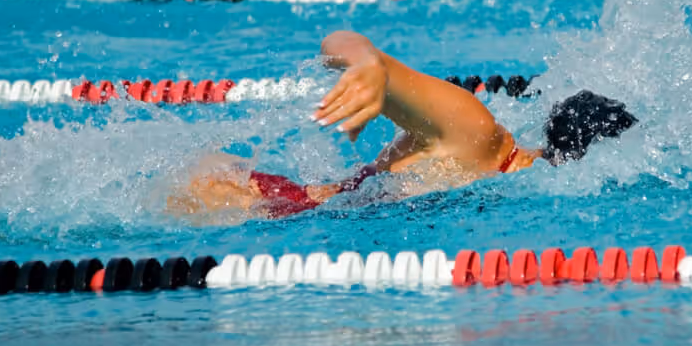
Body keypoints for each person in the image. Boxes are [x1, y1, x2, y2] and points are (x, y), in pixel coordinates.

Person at [168, 30, 637, 220]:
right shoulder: (478, 133)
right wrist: (370, 66)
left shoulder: (505, 175)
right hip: (243, 200)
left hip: (268, 204)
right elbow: (339, 41)